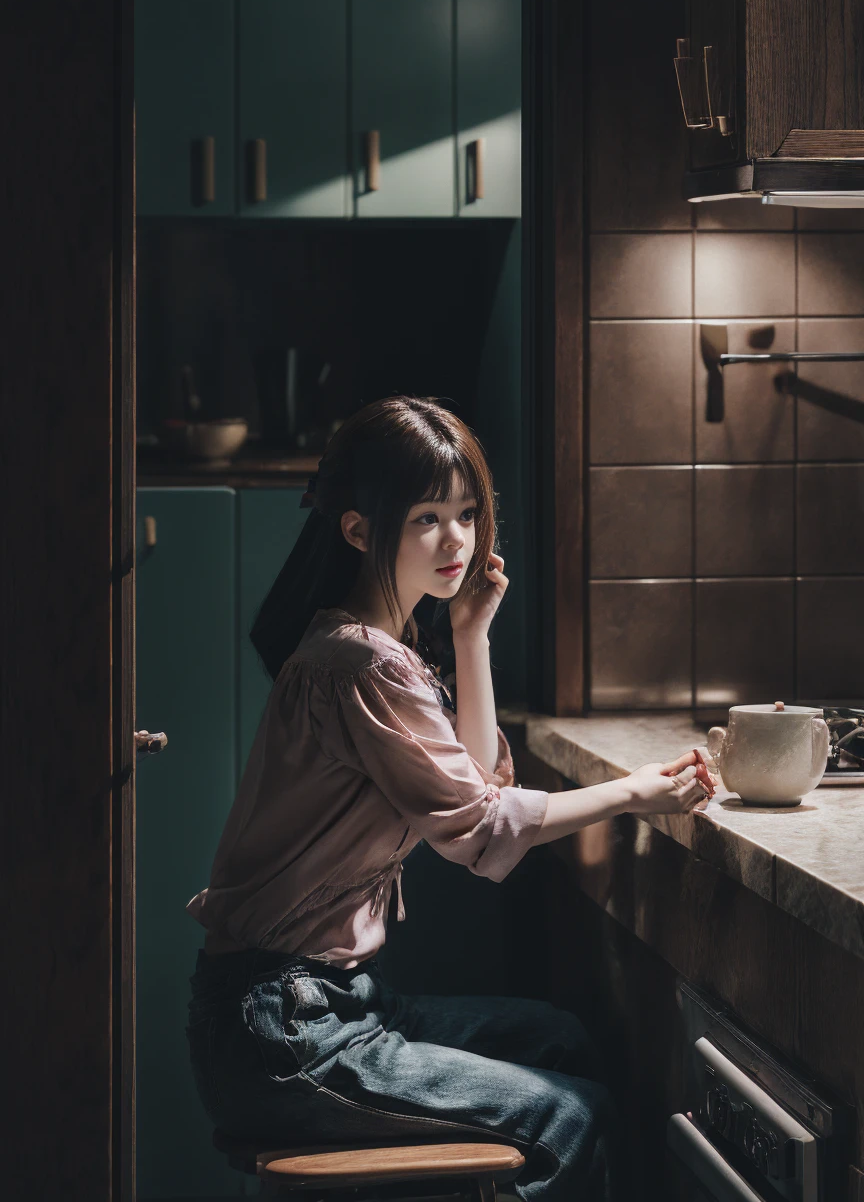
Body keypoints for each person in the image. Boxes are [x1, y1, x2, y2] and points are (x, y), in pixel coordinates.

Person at [185, 396, 713, 1202]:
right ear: (360, 530)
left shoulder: (373, 650)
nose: (457, 539)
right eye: (427, 517)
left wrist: (472, 638)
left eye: (467, 512)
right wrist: (633, 792)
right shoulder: (361, 665)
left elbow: (471, 788)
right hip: (285, 1031)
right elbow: (476, 831)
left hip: (323, 1007)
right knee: (570, 1116)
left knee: (559, 1041)